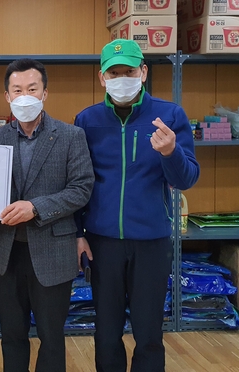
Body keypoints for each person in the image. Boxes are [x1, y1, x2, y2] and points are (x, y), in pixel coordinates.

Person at [74, 39, 200, 372]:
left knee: (148, 333)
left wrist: (171, 152)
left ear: (143, 72)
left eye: (128, 72)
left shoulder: (169, 116)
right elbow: (77, 183)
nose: (121, 79)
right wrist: (77, 233)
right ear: (102, 77)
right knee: (106, 333)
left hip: (151, 242)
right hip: (102, 242)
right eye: (113, 73)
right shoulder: (87, 120)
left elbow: (187, 178)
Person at [0, 58, 94, 372]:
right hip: (8, 252)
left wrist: (35, 207)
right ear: (7, 96)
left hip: (53, 249)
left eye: (32, 89)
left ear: (45, 93)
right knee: (12, 334)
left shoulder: (71, 136)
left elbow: (81, 188)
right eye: (17, 90)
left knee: (51, 336)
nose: (25, 96)